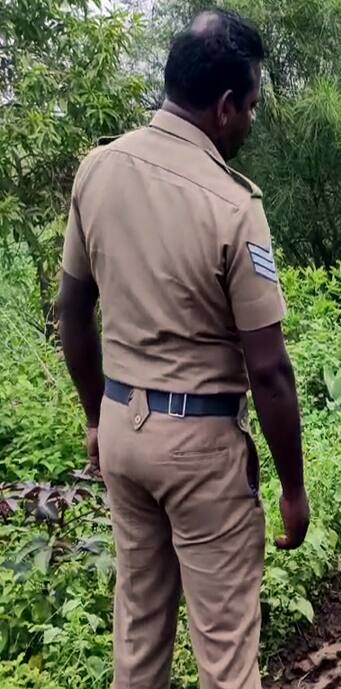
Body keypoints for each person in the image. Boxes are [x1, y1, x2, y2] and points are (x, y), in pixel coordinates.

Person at [57, 10, 308, 689]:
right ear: (225, 108)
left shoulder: (96, 171)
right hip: (199, 452)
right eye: (251, 106)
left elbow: (70, 313)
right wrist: (293, 487)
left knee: (138, 641)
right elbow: (270, 370)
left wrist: (94, 419)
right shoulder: (231, 203)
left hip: (122, 437)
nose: (250, 122)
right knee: (226, 654)